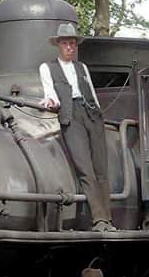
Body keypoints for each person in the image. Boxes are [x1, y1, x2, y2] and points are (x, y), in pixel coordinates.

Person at [38, 23, 116, 231]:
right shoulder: (48, 68)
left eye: (72, 44)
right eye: (66, 44)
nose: (70, 47)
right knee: (85, 169)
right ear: (58, 45)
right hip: (70, 116)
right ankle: (98, 219)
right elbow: (50, 93)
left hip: (91, 114)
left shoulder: (82, 68)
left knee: (101, 169)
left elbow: (91, 92)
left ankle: (108, 220)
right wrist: (51, 102)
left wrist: (98, 115)